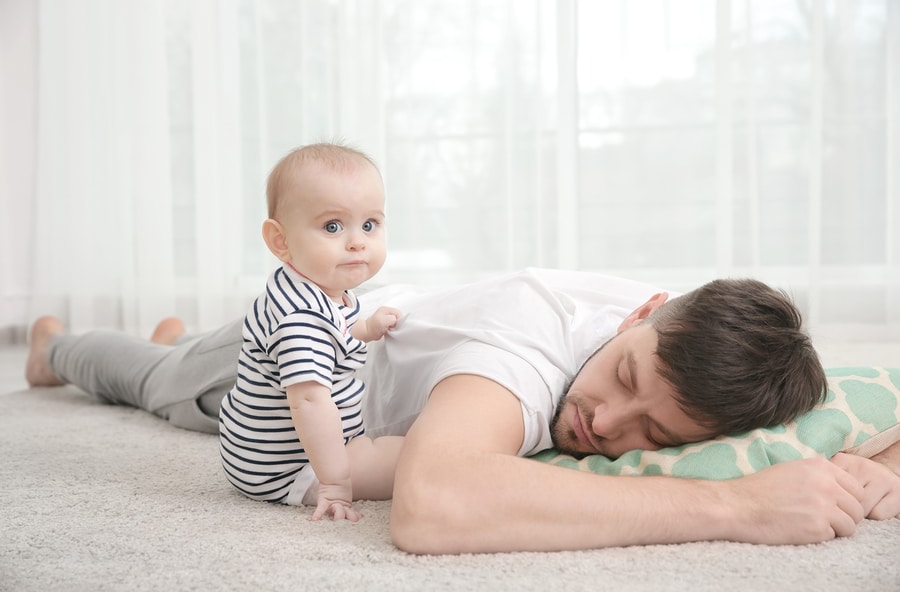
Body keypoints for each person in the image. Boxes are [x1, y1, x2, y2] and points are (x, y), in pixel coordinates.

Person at [25, 268, 900, 554]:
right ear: (642, 314)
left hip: (382, 338)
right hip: (290, 374)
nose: (608, 423)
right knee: (149, 378)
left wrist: (878, 466)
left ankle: (161, 335)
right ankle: (56, 344)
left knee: (166, 353)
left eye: (656, 436)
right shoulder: (521, 353)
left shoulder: (688, 344)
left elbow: (857, 403)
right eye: (625, 378)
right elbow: (431, 505)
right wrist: (735, 507)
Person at [221, 143, 402, 521]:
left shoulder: (313, 287)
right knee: (413, 457)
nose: (357, 241)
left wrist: (364, 328)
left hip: (272, 453)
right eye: (332, 227)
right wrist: (335, 484)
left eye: (370, 224)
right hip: (290, 467)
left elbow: (333, 337)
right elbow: (309, 402)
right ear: (280, 241)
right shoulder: (299, 317)